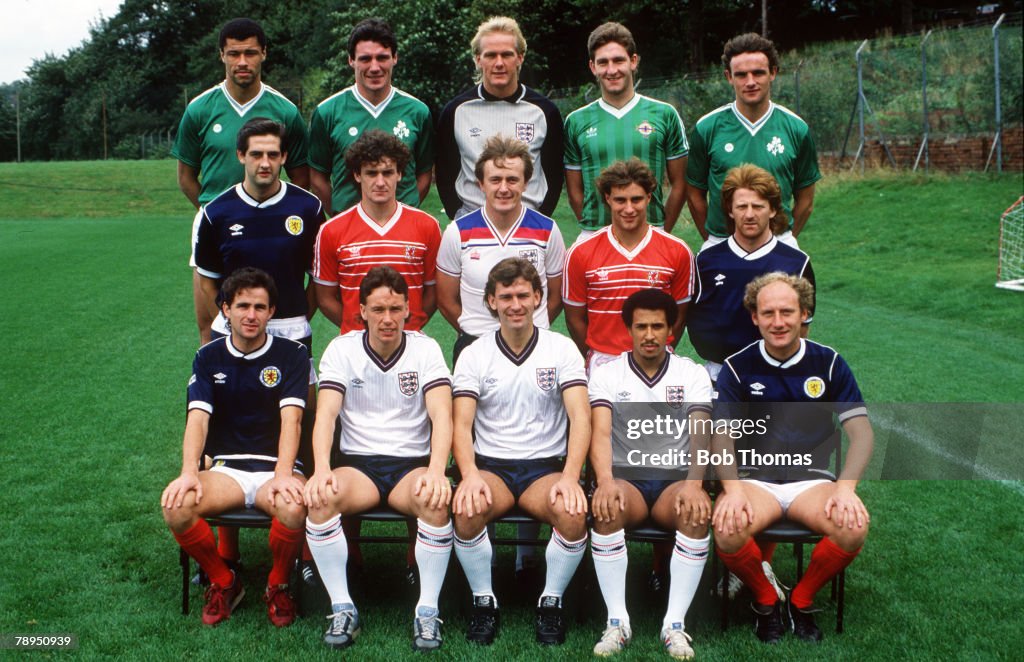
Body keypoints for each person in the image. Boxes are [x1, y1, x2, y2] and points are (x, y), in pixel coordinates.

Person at [711, 272, 873, 644]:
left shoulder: (829, 363)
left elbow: (861, 434)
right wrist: (733, 491)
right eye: (768, 313)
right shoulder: (737, 366)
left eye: (787, 312)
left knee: (853, 528)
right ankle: (767, 601)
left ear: (804, 314)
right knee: (728, 528)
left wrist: (846, 488)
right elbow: (721, 436)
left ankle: (801, 600)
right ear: (754, 317)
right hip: (755, 480)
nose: (778, 322)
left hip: (812, 480)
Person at [304, 266, 454, 651]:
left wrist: (437, 470)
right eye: (378, 309)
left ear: (408, 310)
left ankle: (427, 611)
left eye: (395, 309)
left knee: (435, 501)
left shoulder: (425, 348)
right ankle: (343, 606)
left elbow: (442, 415)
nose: (387, 318)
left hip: (412, 465)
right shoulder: (342, 349)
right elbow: (326, 416)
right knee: (321, 498)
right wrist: (322, 468)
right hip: (360, 466)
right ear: (362, 311)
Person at [451, 258, 590, 646]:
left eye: (523, 296)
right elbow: (461, 425)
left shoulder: (561, 349)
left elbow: (581, 418)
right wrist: (470, 476)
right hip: (491, 467)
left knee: (573, 513)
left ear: (538, 298)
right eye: (506, 296)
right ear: (491, 302)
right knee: (466, 509)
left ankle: (551, 601)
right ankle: (484, 601)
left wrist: (570, 478)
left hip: (545, 469)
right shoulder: (474, 353)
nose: (515, 304)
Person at [161, 268, 309, 627]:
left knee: (292, 507)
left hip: (275, 467)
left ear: (272, 311)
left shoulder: (292, 355)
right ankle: (224, 581)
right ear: (225, 309)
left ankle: (278, 584)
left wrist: (284, 474)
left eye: (260, 307)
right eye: (242, 305)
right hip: (227, 469)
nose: (251, 315)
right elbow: (197, 419)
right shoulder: (208, 356)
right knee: (177, 506)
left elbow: (292, 420)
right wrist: (188, 472)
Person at [587, 289, 713, 658]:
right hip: (629, 480)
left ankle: (674, 625)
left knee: (694, 512)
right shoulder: (607, 374)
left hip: (674, 481)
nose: (649, 334)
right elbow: (600, 432)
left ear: (671, 329)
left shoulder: (692, 373)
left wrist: (694, 484)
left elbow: (700, 431)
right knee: (607, 507)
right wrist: (606, 482)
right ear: (628, 328)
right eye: (640, 325)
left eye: (658, 326)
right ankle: (616, 622)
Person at [173, 17, 310, 341]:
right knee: (211, 325)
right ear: (221, 55)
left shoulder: (286, 111)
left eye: (250, 53)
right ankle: (215, 387)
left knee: (279, 320)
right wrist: (220, 216)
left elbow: (301, 178)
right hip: (218, 228)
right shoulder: (199, 109)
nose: (242, 62)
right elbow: (186, 176)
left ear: (264, 53)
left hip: (275, 226)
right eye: (234, 54)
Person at [436, 134, 566, 365]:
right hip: (475, 346)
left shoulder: (547, 230)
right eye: (495, 180)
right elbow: (445, 299)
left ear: (526, 183)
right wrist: (477, 334)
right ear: (481, 184)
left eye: (512, 180)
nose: (504, 188)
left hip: (533, 346)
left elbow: (555, 297)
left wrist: (526, 330)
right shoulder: (457, 232)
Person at [194, 118, 323, 348]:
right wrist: (234, 323)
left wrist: (299, 317)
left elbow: (318, 278)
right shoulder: (215, 212)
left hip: (290, 329)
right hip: (232, 334)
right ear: (241, 155)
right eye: (256, 154)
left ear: (283, 157)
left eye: (272, 155)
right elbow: (207, 281)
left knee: (302, 386)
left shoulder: (309, 208)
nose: (265, 163)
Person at [686, 33, 821, 251]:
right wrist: (714, 240)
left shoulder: (796, 128)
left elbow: (805, 200)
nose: (750, 82)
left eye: (758, 73)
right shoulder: (707, 128)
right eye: (741, 75)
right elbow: (694, 195)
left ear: (773, 73)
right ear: (729, 77)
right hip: (721, 242)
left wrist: (783, 239)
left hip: (778, 242)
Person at [687, 164, 814, 384]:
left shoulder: (796, 262)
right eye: (741, 206)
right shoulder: (705, 261)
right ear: (730, 210)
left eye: (758, 206)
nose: (749, 215)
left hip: (775, 376)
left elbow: (801, 329)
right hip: (717, 375)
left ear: (773, 209)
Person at [563, 158, 695, 370]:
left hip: (658, 361)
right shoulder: (580, 252)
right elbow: (574, 319)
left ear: (649, 198)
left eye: (636, 199)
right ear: (608, 199)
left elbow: (679, 317)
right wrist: (595, 355)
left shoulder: (678, 251)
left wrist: (657, 349)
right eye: (620, 200)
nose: (629, 208)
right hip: (603, 362)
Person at [564, 22, 688, 238]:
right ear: (593, 67)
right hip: (595, 235)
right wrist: (593, 229)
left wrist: (661, 231)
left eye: (618, 60)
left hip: (652, 234)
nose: (611, 70)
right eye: (603, 62)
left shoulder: (665, 114)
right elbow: (574, 190)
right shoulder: (576, 121)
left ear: (633, 61)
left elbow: (680, 182)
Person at [313, 130, 441, 335]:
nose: (380, 182)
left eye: (388, 172)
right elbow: (325, 297)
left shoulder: (427, 226)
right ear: (357, 175)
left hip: (410, 342)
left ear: (399, 174)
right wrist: (360, 330)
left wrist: (407, 328)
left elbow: (434, 291)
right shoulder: (331, 231)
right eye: (371, 173)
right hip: (355, 344)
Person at [436, 16, 564, 220]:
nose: (499, 63)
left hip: (528, 222)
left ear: (520, 57)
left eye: (507, 54)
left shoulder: (545, 112)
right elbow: (445, 174)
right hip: (472, 222)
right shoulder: (455, 111)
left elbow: (554, 174)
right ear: (478, 59)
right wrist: (458, 214)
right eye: (490, 55)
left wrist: (540, 215)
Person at [308, 18, 434, 217]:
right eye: (365, 59)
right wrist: (342, 216)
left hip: (402, 232)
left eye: (382, 58)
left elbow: (425, 173)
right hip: (349, 232)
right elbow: (317, 178)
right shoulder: (327, 112)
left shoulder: (418, 111)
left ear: (395, 58)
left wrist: (405, 214)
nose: (374, 67)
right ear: (351, 60)